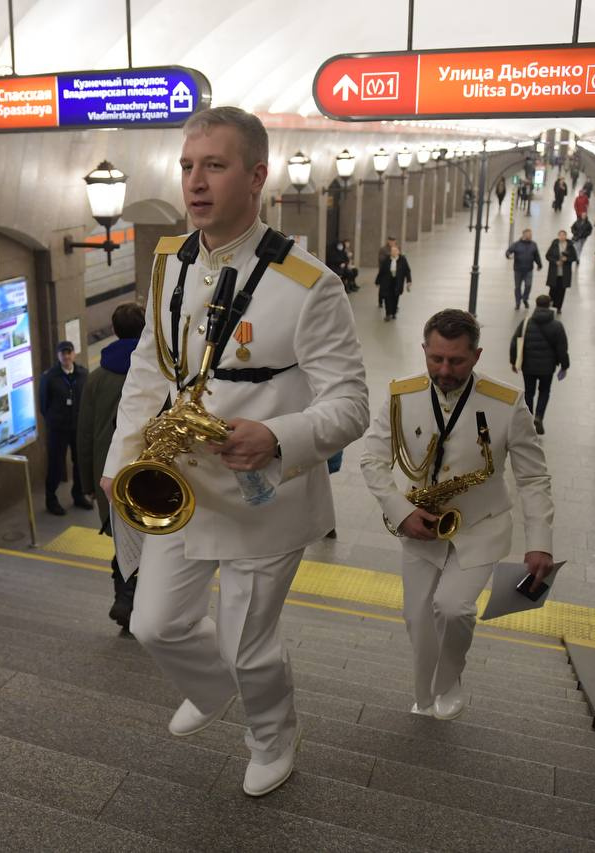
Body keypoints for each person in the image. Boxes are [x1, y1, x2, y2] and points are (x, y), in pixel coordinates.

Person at [100, 106, 369, 798]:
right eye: (188, 166)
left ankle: (273, 734)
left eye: (213, 166)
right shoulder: (169, 261)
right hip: (183, 483)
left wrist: (279, 435)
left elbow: (350, 405)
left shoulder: (311, 285)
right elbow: (149, 373)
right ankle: (212, 684)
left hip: (264, 498)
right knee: (154, 621)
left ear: (257, 176)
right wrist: (118, 460)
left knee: (249, 644)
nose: (195, 181)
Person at [358, 309, 555, 721]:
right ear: (425, 350)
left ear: (477, 355)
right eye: (436, 359)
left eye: (457, 361)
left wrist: (540, 543)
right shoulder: (401, 394)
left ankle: (449, 681)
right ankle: (424, 693)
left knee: (452, 608)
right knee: (416, 617)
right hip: (419, 526)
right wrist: (401, 510)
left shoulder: (507, 402)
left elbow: (533, 477)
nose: (444, 370)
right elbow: (372, 461)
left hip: (482, 527)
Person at [76, 303, 146, 633]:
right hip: (150, 472)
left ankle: (126, 598)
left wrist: (87, 483)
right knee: (155, 541)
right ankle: (141, 603)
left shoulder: (96, 378)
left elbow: (86, 435)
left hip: (110, 475)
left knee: (123, 539)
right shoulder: (156, 370)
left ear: (115, 331)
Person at [39, 340, 91, 516]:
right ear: (58, 356)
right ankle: (51, 499)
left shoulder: (83, 374)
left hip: (77, 427)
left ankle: (78, 494)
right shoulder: (49, 377)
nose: (66, 356)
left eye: (69, 353)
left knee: (79, 463)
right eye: (63, 353)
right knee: (56, 464)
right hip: (58, 430)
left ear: (74, 354)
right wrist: (54, 420)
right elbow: (43, 405)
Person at [508, 293, 570, 435]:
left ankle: (529, 419)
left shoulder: (526, 322)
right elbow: (562, 347)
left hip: (528, 366)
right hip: (547, 368)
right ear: (549, 305)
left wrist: (513, 361)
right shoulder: (557, 325)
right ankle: (539, 416)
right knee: (544, 391)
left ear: (536, 304)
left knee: (529, 392)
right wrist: (565, 365)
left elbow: (514, 342)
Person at [504, 228, 543, 311]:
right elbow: (508, 251)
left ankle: (525, 298)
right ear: (524, 235)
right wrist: (508, 255)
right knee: (517, 287)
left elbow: (536, 255)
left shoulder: (533, 244)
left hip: (529, 269)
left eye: (531, 234)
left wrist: (539, 265)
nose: (530, 236)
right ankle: (517, 302)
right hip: (518, 269)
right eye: (529, 234)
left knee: (528, 285)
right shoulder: (516, 244)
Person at [375, 242, 412, 321]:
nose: (393, 252)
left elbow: (407, 271)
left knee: (395, 298)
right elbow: (381, 271)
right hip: (387, 281)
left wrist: (409, 281)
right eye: (392, 251)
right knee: (387, 298)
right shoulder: (387, 259)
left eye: (395, 251)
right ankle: (388, 314)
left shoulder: (402, 259)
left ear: (398, 251)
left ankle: (394, 312)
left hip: (397, 281)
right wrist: (377, 281)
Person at [544, 230, 578, 313]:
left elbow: (574, 257)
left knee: (562, 291)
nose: (562, 237)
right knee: (552, 290)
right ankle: (550, 305)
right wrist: (555, 262)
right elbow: (548, 256)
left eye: (564, 235)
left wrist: (567, 259)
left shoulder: (570, 246)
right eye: (560, 235)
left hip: (564, 273)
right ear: (558, 236)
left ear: (566, 236)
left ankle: (559, 307)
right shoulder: (554, 244)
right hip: (554, 272)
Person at [376, 236, 398, 309]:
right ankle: (380, 301)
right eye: (391, 241)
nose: (392, 243)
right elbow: (381, 259)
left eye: (394, 241)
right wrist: (390, 256)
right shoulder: (383, 249)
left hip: (393, 272)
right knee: (382, 287)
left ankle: (393, 304)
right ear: (388, 241)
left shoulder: (396, 248)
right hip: (384, 272)